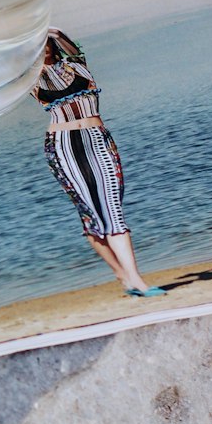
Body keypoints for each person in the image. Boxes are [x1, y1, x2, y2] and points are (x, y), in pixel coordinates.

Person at [31, 28, 164, 297]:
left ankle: (133, 278)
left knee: (113, 208)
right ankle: (128, 277)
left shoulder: (76, 64)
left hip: (97, 139)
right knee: (91, 214)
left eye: (45, 43)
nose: (42, 48)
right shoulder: (30, 78)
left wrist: (54, 32)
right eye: (36, 45)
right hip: (64, 146)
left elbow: (72, 47)